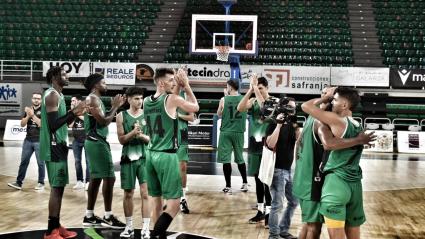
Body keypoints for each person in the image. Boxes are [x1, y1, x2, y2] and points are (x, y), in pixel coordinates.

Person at [293, 87, 375, 239]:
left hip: (335, 183)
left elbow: (306, 107)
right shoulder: (358, 125)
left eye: (334, 98)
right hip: (354, 183)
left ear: (344, 105)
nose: (331, 100)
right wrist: (359, 139)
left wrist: (326, 98)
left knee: (314, 226)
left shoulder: (333, 120)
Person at [144, 68, 199, 239]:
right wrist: (187, 86)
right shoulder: (172, 99)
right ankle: (156, 235)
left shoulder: (146, 101)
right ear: (161, 83)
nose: (173, 83)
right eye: (170, 80)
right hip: (166, 156)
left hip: (150, 154)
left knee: (156, 201)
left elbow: (169, 102)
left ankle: (159, 234)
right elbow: (195, 107)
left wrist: (177, 86)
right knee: (174, 204)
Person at [40, 66, 85, 239]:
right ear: (54, 77)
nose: (67, 77)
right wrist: (73, 112)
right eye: (63, 75)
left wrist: (74, 113)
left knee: (59, 188)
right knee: (56, 188)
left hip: (59, 145)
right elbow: (53, 125)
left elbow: (63, 123)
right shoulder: (52, 95)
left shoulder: (58, 95)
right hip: (53, 146)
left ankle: (56, 225)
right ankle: (51, 231)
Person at [82, 73, 126, 229]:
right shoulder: (92, 99)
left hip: (95, 141)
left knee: (96, 179)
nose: (106, 85)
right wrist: (115, 106)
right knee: (109, 177)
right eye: (104, 82)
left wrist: (113, 108)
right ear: (95, 85)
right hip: (96, 142)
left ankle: (89, 215)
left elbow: (103, 118)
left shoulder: (96, 99)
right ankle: (108, 216)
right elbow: (104, 121)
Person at [116, 86, 151, 238]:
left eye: (141, 98)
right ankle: (129, 226)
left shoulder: (148, 115)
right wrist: (133, 133)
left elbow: (151, 139)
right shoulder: (121, 116)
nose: (140, 101)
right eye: (136, 98)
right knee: (128, 194)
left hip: (144, 159)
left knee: (145, 194)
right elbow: (121, 140)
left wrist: (140, 135)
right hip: (128, 159)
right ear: (129, 99)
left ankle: (146, 228)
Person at [237, 75, 272, 227]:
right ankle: (260, 210)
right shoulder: (252, 101)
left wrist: (255, 89)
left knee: (267, 181)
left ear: (267, 89)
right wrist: (250, 90)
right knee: (257, 179)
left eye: (261, 89)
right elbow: (240, 108)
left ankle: (269, 213)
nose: (259, 91)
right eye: (258, 89)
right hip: (254, 145)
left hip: (268, 146)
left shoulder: (273, 102)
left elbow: (265, 107)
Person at [264, 98, 299, 239]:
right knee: (277, 205)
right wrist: (278, 125)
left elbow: (298, 140)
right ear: (283, 107)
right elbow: (271, 144)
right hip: (277, 170)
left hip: (290, 170)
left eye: (294, 107)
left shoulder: (292, 124)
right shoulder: (272, 123)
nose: (293, 109)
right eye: (290, 107)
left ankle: (283, 230)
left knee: (294, 202)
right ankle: (273, 235)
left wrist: (295, 125)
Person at [8, 92, 45, 191]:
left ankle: (41, 183)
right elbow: (22, 124)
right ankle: (18, 183)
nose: (36, 100)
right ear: (32, 99)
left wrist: (32, 115)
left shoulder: (44, 110)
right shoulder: (28, 110)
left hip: (39, 140)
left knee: (40, 163)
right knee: (24, 161)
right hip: (28, 140)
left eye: (38, 98)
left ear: (41, 100)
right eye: (34, 98)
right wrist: (28, 115)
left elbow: (41, 124)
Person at [216, 79, 248, 194]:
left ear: (229, 87)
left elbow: (219, 114)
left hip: (226, 132)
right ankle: (245, 183)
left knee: (226, 160)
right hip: (238, 132)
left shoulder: (223, 99)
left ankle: (228, 186)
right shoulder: (244, 99)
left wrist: (224, 98)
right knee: (240, 158)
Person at [174, 88, 195, 214]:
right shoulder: (163, 96)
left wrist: (179, 116)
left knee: (182, 167)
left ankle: (182, 199)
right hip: (166, 135)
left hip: (182, 134)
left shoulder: (185, 97)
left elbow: (192, 117)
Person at [69, 94, 90, 190]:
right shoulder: (71, 112)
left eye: (73, 100)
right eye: (71, 101)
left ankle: (88, 181)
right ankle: (79, 181)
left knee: (88, 162)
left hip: (87, 139)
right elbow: (70, 125)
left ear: (78, 101)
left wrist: (77, 114)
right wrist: (73, 113)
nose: (71, 102)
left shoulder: (86, 109)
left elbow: (88, 121)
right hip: (76, 140)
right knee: (77, 162)